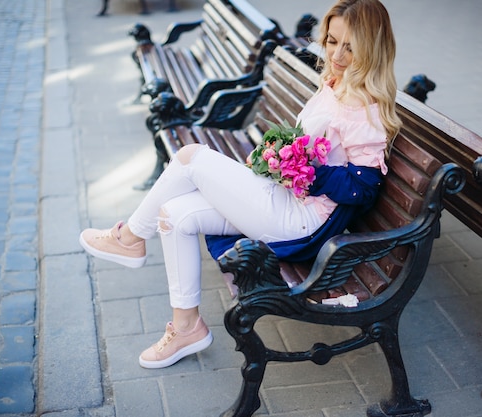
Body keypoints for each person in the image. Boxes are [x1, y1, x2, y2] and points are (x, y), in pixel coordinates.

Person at [79, 0, 402, 370]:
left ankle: (130, 237)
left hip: (301, 221)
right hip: (284, 198)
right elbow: (310, 149)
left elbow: (364, 188)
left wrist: (303, 170)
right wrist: (275, 157)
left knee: (190, 156)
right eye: (332, 42)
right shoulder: (335, 84)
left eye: (350, 47)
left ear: (372, 48)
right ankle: (186, 328)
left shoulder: (365, 109)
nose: (338, 55)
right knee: (174, 215)